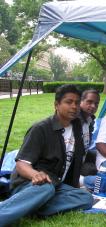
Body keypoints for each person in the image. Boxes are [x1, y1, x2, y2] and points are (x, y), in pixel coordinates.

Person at [0, 84, 93, 226]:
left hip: (55, 184)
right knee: (45, 188)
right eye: (69, 102)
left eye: (76, 102)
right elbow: (21, 163)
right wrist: (34, 175)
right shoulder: (41, 128)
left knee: (85, 197)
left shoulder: (77, 127)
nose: (74, 106)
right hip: (29, 183)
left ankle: (28, 206)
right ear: (57, 104)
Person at [79, 89, 100, 177]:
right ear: (81, 101)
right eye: (89, 102)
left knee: (103, 157)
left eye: (96, 103)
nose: (93, 106)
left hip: (85, 153)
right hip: (74, 161)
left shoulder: (90, 120)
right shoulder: (74, 120)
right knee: (91, 170)